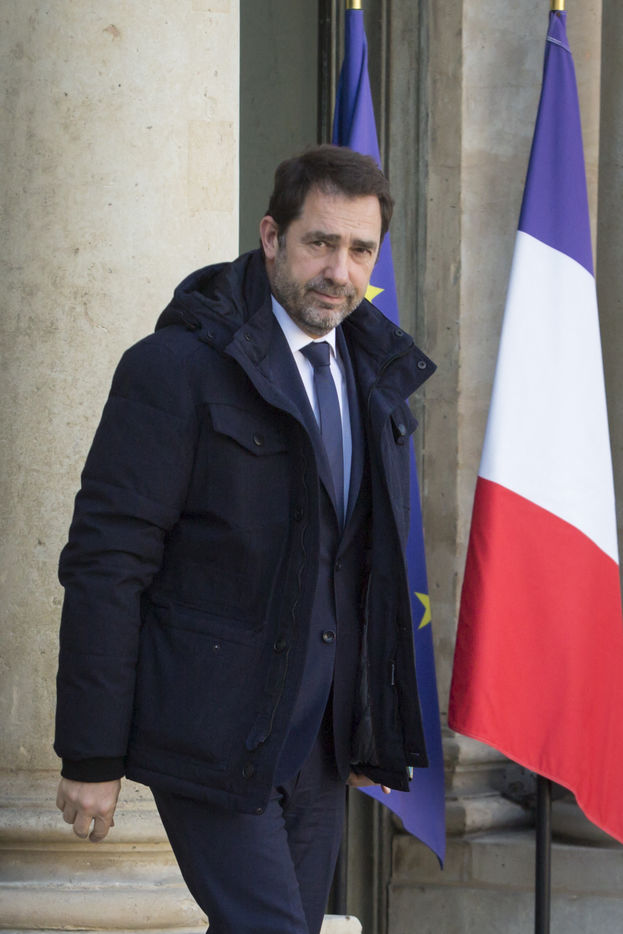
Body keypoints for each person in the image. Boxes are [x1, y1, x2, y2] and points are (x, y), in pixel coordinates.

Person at [54, 144, 435, 934]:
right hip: (210, 731)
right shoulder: (175, 368)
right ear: (270, 237)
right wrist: (90, 754)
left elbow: (364, 567)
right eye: (319, 242)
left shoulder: (374, 377)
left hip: (320, 748)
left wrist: (369, 725)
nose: (339, 271)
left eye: (359, 250)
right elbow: (107, 562)